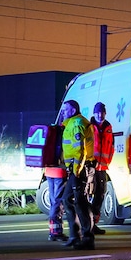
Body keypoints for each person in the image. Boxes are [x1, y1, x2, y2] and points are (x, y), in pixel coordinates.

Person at [59, 100, 95, 249]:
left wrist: (76, 171)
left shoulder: (77, 124)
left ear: (73, 110)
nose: (63, 112)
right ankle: (75, 235)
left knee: (79, 203)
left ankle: (87, 238)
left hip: (79, 169)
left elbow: (80, 150)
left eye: (65, 110)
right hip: (75, 169)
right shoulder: (71, 123)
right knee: (69, 200)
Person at [88, 102, 114, 235]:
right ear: (94, 113)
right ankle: (88, 224)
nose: (100, 114)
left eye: (102, 112)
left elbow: (111, 147)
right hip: (90, 167)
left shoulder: (108, 127)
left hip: (102, 167)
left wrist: (107, 161)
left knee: (100, 195)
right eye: (97, 112)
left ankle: (94, 223)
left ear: (105, 113)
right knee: (88, 194)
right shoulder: (89, 126)